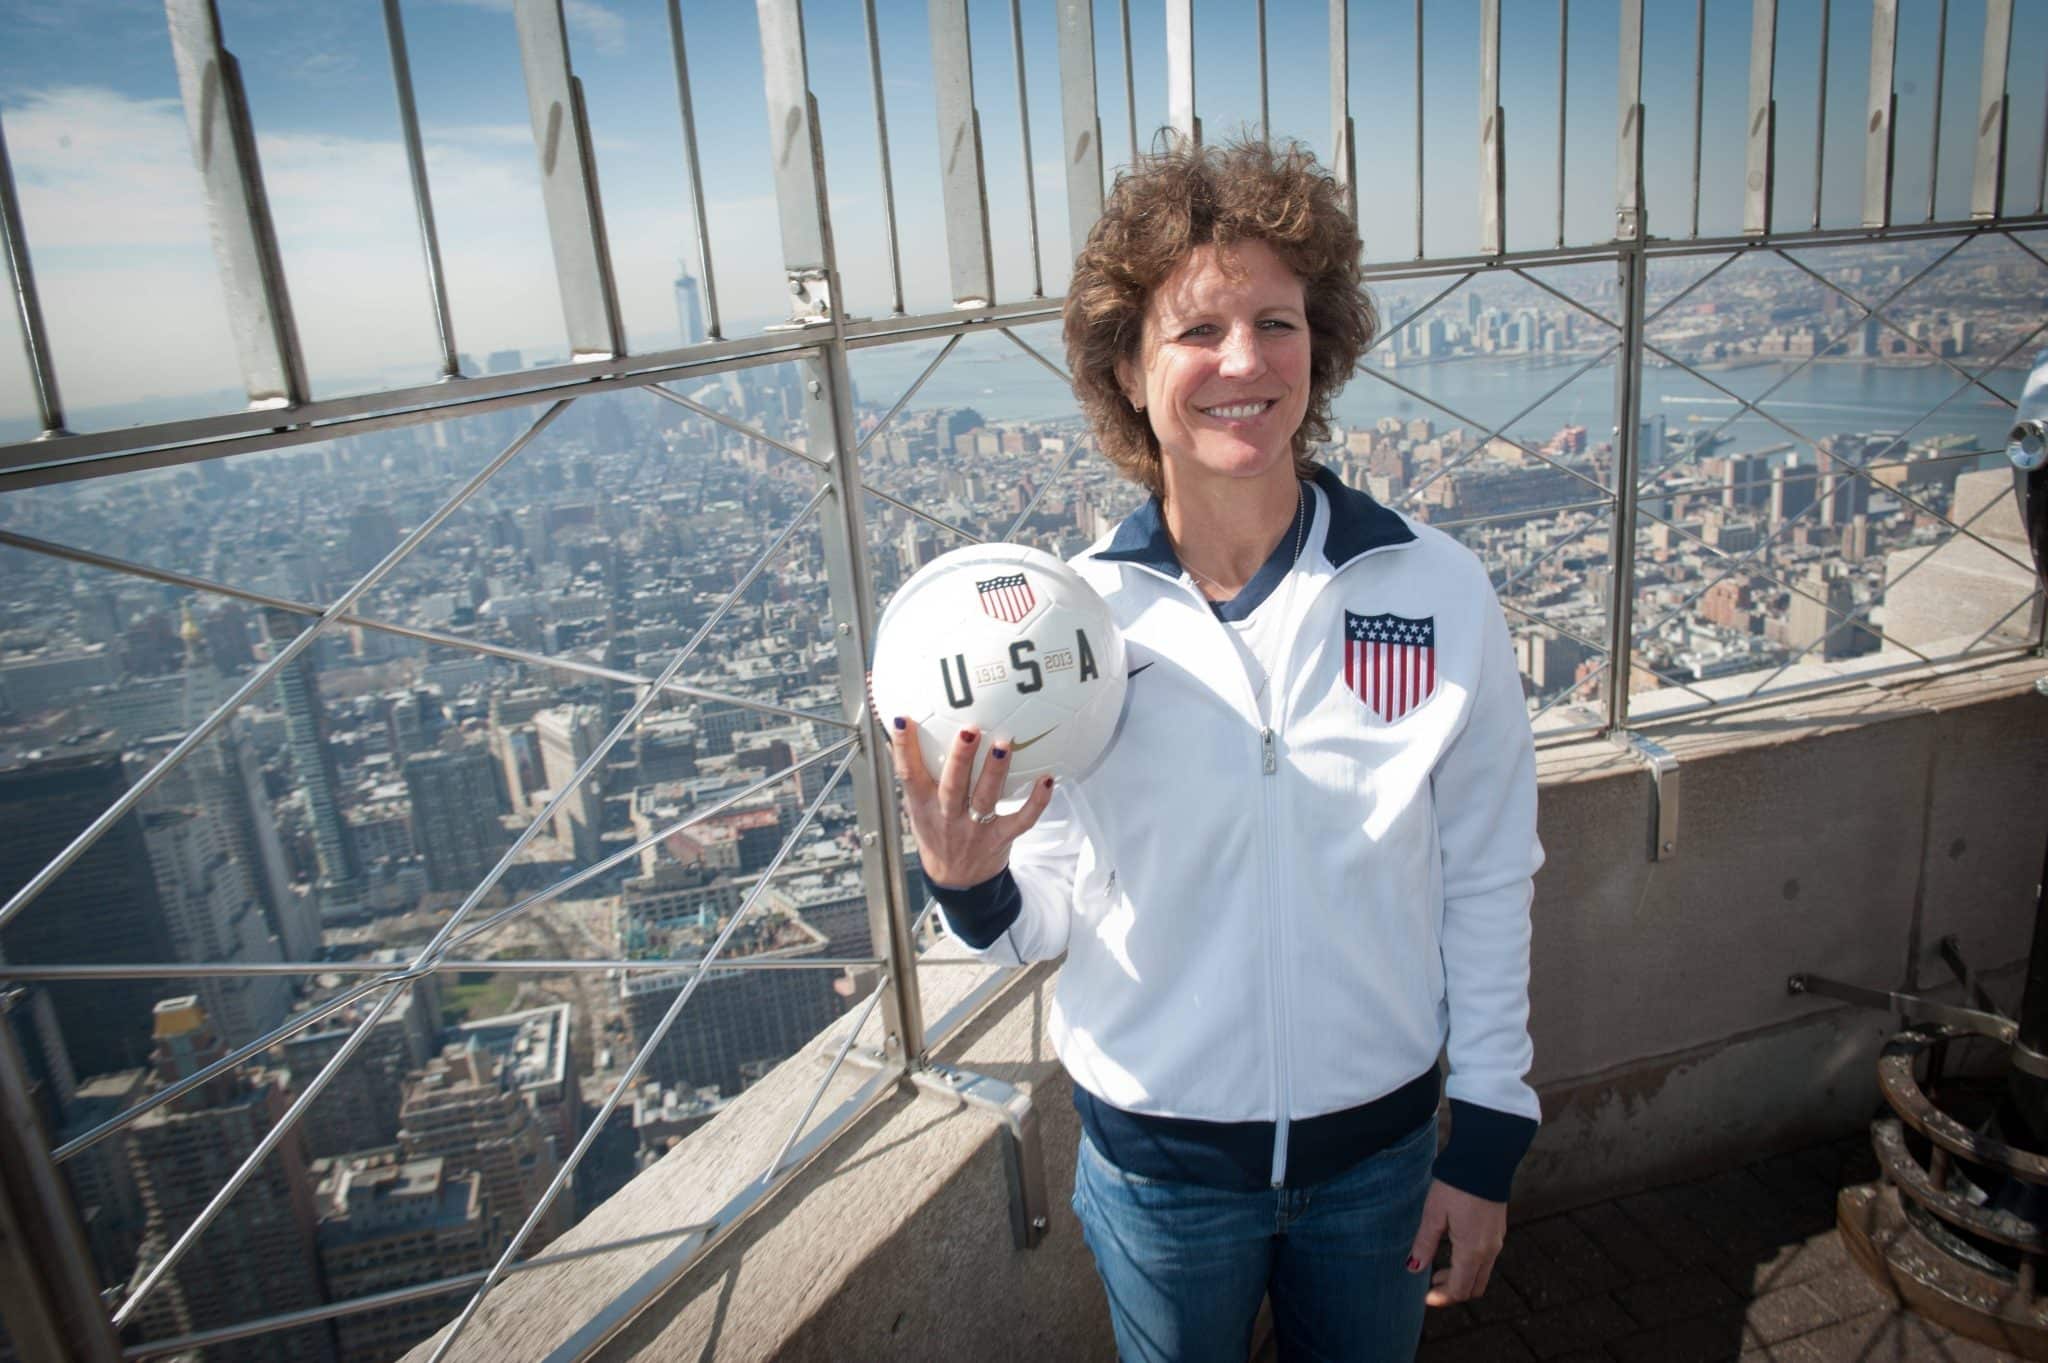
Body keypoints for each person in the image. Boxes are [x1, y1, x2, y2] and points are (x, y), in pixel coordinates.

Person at [886, 140, 1541, 1363]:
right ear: (1127, 371)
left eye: (1276, 321)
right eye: (1195, 331)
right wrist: (968, 880)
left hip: (1382, 1158)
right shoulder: (1066, 630)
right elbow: (1053, 914)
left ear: (1321, 345)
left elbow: (1487, 874)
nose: (1242, 362)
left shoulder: (1435, 589)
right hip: (1158, 1171)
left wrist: (1488, 1136)